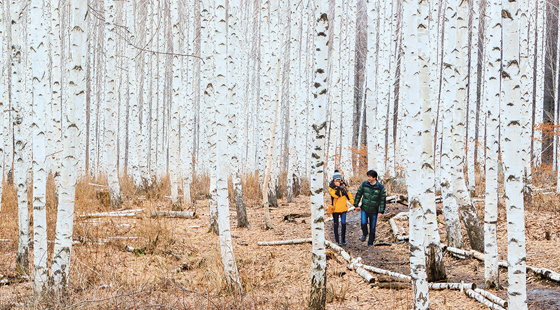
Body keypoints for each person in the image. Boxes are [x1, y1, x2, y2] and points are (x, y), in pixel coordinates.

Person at [354, 170, 386, 247]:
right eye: (367, 176)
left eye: (370, 177)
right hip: (364, 209)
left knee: (372, 227)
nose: (368, 178)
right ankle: (365, 234)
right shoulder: (364, 185)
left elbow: (382, 200)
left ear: (374, 178)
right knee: (363, 223)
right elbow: (359, 194)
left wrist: (381, 211)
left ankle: (370, 242)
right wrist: (356, 205)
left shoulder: (380, 188)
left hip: (374, 211)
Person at [328, 170, 354, 246]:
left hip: (343, 209)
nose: (338, 181)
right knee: (336, 224)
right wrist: (339, 188)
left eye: (339, 180)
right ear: (334, 180)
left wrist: (355, 205)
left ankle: (343, 239)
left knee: (343, 223)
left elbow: (349, 197)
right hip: (335, 210)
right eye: (336, 180)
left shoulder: (345, 187)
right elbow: (335, 195)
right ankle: (337, 241)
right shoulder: (331, 188)